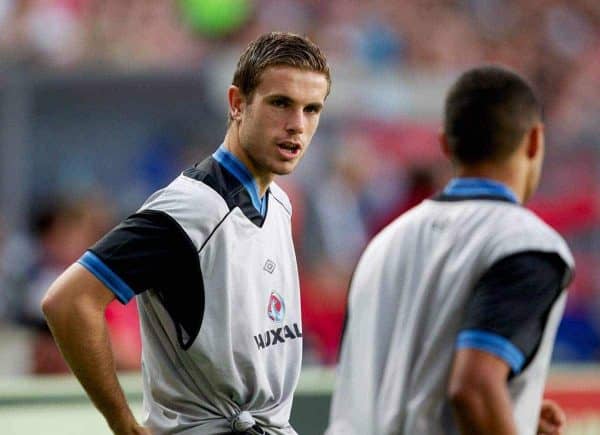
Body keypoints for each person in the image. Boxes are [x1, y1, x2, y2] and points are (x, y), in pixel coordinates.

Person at [41, 32, 330, 435]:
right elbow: (68, 301)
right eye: (280, 103)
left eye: (311, 109)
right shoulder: (191, 210)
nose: (297, 125)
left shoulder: (279, 203)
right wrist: (123, 424)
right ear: (237, 104)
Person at [326, 66, 573, 435]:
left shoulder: (381, 245)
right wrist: (492, 410)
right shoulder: (527, 244)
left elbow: (395, 389)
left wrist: (514, 417)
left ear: (445, 144)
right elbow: (473, 390)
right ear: (535, 141)